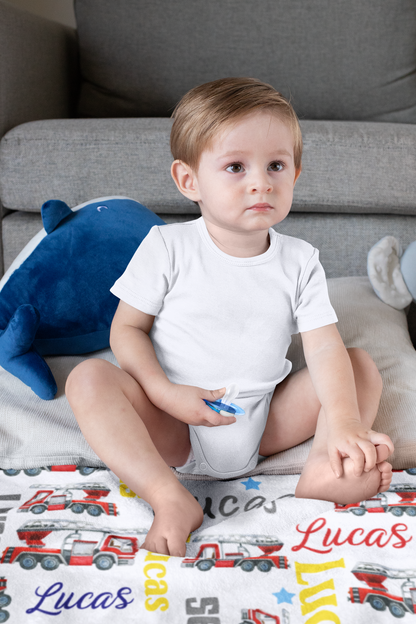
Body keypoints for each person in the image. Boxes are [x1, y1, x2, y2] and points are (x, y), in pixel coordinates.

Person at [66, 77, 394, 557]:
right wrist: (166, 394)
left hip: (263, 423)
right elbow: (127, 330)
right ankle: (168, 496)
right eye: (236, 167)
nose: (261, 181)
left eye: (276, 165)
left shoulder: (300, 260)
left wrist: (344, 421)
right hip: (174, 424)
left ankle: (324, 467)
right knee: (88, 378)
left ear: (295, 175)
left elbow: (322, 347)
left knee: (357, 364)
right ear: (188, 180)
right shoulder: (167, 247)